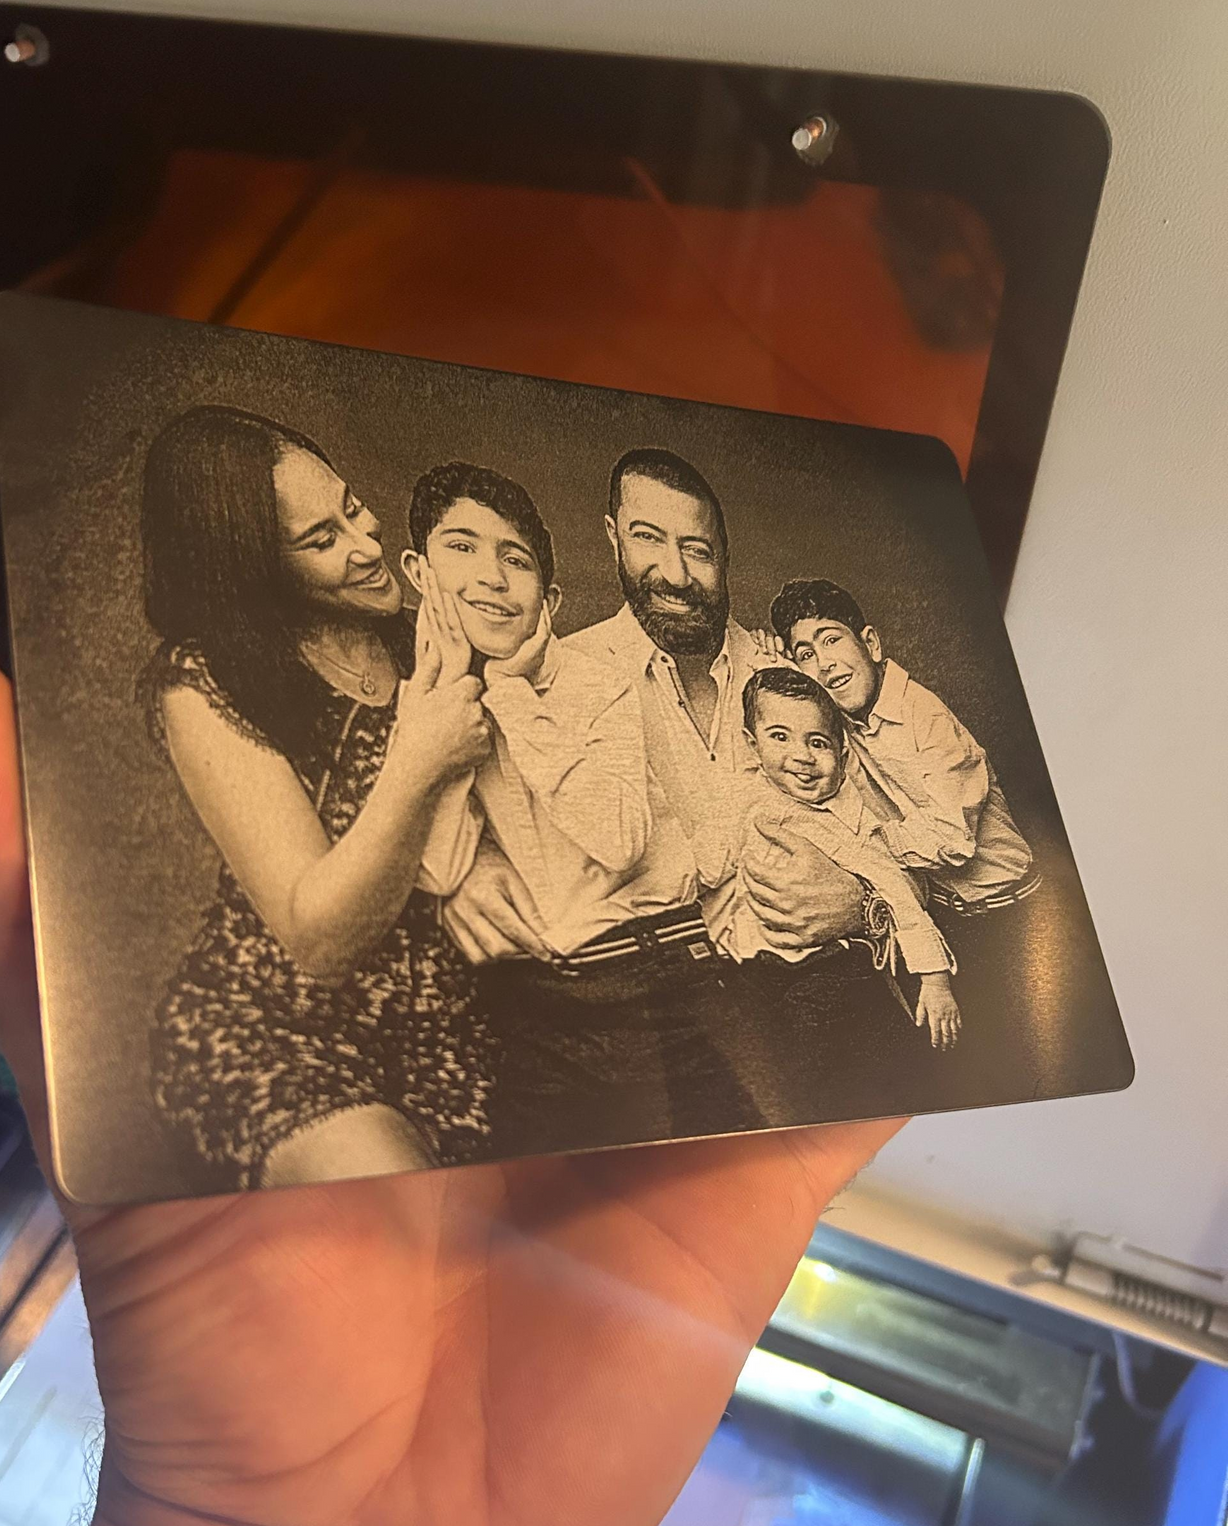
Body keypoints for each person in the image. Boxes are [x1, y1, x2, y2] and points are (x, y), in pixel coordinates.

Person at [0, 640, 902, 1526]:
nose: (368, 553)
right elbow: (320, 921)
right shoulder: (242, 696)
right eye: (325, 538)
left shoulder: (573, 690)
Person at [138, 405, 494, 1189]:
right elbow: (318, 939)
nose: (368, 546)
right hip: (279, 1029)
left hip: (453, 1029)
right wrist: (420, 755)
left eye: (352, 507)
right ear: (253, 566)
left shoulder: (423, 632)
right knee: (424, 1225)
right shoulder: (201, 682)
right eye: (320, 540)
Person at [403, 461, 758, 1159]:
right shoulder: (431, 703)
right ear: (418, 572)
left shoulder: (593, 681)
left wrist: (511, 692)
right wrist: (441, 688)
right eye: (460, 548)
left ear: (551, 597)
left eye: (516, 560)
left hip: (660, 969)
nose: (491, 578)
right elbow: (441, 867)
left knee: (722, 1175)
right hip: (550, 1000)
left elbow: (618, 838)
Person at [565, 449, 872, 965]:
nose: (677, 575)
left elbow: (892, 831)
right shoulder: (567, 678)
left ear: (725, 557)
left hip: (821, 981)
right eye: (647, 538)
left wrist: (862, 904)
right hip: (649, 1000)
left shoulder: (790, 679)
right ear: (613, 537)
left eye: (698, 550)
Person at [770, 576, 1049, 1100]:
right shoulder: (846, 721)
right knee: (962, 1063)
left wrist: (874, 843)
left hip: (1013, 915)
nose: (824, 663)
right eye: (805, 654)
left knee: (1023, 1062)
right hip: (953, 916)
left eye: (832, 639)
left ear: (870, 644)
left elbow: (952, 840)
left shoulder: (926, 717)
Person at [726, 667, 960, 1122]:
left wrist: (935, 980)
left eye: (818, 742)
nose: (802, 757)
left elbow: (898, 891)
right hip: (756, 976)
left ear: (844, 754)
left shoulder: (837, 821)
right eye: (779, 737)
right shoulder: (746, 800)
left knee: (854, 1088)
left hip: (828, 977)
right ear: (751, 744)